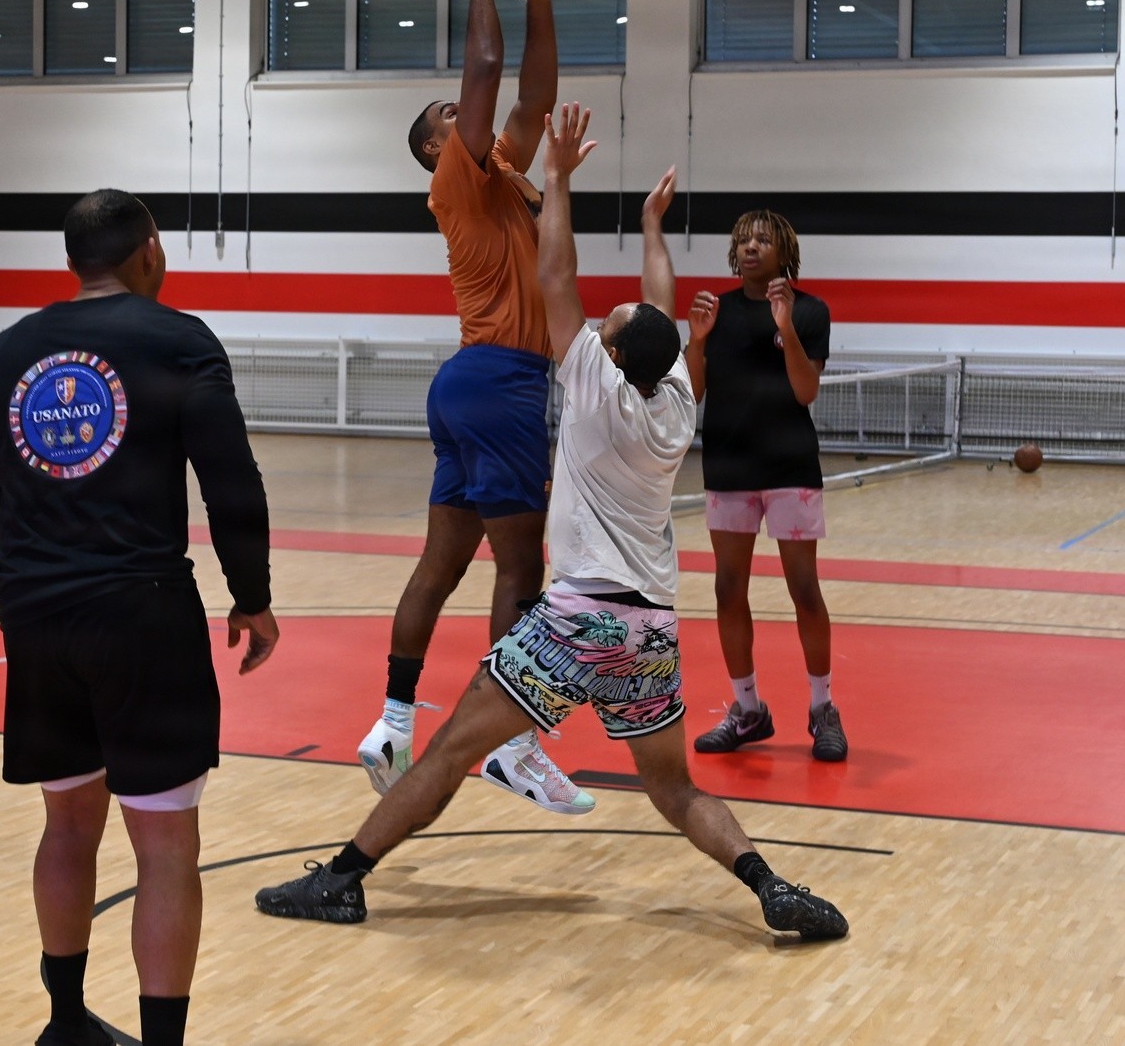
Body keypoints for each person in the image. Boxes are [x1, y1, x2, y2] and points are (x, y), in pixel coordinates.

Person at [253, 105, 848, 945]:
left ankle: (343, 880)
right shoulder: (676, 402)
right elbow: (657, 302)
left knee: (449, 749)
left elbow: (556, 275)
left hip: (576, 620)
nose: (598, 325)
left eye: (606, 330)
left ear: (610, 356)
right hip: (648, 630)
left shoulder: (594, 389)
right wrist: (650, 227)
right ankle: (769, 885)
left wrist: (559, 179)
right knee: (674, 788)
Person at [0, 189, 279, 1046]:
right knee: (165, 848)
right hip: (143, 614)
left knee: (66, 824)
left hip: (35, 618)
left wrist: (34, 572)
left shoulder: (1, 354)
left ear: (71, 261)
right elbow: (231, 480)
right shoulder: (179, 340)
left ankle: (65, 1025)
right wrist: (251, 594)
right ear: (151, 252)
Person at [358, 0, 595, 815]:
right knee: (520, 569)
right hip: (499, 380)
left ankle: (391, 723)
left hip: (470, 381)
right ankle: (514, 743)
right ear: (434, 147)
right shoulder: (457, 175)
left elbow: (534, 97)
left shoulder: (504, 175)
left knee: (443, 561)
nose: (466, 115)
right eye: (450, 116)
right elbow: (490, 75)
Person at [684, 212, 847, 762]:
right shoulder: (717, 311)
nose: (750, 247)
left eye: (761, 239)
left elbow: (806, 391)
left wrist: (787, 328)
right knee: (728, 589)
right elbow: (693, 392)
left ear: (784, 250)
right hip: (729, 468)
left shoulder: (810, 310)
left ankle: (823, 708)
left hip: (789, 468)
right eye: (742, 240)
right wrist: (696, 341)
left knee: (804, 589)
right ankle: (748, 710)